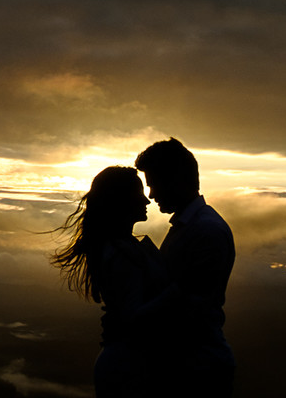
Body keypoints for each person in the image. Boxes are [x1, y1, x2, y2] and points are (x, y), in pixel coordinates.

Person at [51, 165, 167, 398]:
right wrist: (179, 292)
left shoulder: (120, 248)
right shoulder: (121, 253)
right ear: (121, 201)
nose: (147, 201)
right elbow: (133, 316)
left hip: (125, 362)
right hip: (128, 367)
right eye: (138, 195)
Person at [135, 138, 235, 398]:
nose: (151, 194)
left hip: (197, 370)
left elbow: (187, 301)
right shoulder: (190, 227)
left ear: (176, 180)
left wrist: (130, 320)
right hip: (189, 365)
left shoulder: (205, 231)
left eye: (154, 184)